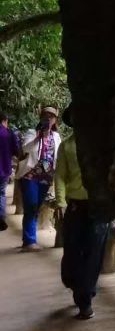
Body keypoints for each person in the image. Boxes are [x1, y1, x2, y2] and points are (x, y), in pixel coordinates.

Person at [55, 107, 110, 319]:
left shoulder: (101, 145)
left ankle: (84, 300)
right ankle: (78, 286)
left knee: (93, 253)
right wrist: (60, 202)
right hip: (75, 205)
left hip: (98, 206)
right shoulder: (67, 146)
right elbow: (60, 175)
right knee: (72, 250)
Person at [16, 105, 61, 249]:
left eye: (52, 116)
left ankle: (28, 239)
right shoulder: (32, 132)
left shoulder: (56, 136)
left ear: (55, 120)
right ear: (41, 116)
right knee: (31, 205)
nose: (49, 118)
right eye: (46, 115)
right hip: (30, 176)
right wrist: (38, 136)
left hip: (46, 177)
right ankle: (30, 241)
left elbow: (58, 156)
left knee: (36, 207)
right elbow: (25, 148)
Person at [0, 112, 19, 232]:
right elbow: (16, 151)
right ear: (5, 120)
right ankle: (0, 218)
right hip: (4, 169)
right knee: (1, 193)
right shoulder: (9, 133)